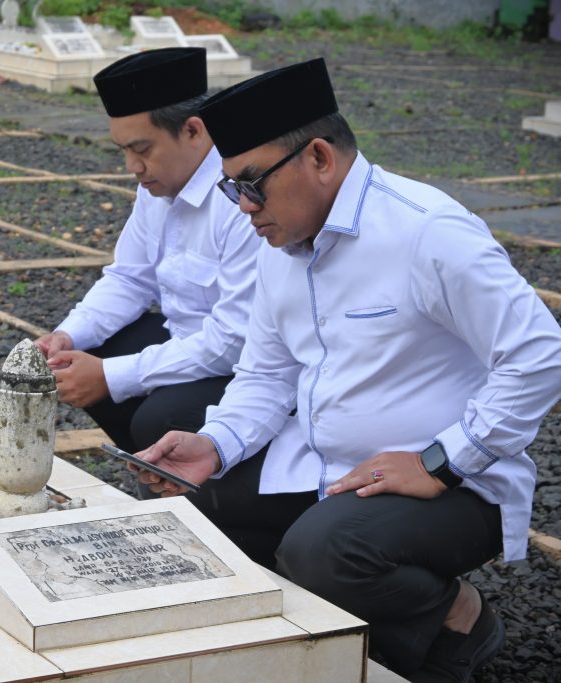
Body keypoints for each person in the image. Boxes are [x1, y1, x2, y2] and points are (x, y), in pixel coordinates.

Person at [134, 58, 561, 681]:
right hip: (328, 467)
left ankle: (455, 617)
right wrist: (216, 443)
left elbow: (538, 352)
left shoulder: (425, 231)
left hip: (454, 484)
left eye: (251, 183)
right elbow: (266, 375)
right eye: (231, 188)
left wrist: (442, 461)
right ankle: (331, 630)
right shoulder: (278, 242)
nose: (243, 206)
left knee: (324, 553)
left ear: (319, 158)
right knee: (198, 510)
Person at [34, 47, 261, 455]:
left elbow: (235, 339)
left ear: (194, 131)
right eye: (123, 150)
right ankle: (154, 467)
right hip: (186, 339)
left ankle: (198, 479)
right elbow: (130, 278)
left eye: (142, 150)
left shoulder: (239, 200)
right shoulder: (157, 186)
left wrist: (112, 376)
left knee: (156, 417)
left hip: (248, 363)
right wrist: (66, 335)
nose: (132, 167)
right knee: (77, 358)